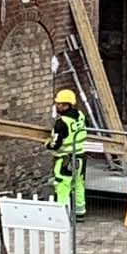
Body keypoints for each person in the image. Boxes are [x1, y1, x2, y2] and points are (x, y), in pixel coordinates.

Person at [48, 75, 89, 221]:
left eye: (59, 104)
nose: (57, 106)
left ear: (66, 105)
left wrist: (48, 144)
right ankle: (80, 212)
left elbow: (56, 143)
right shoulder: (80, 115)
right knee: (79, 184)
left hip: (65, 158)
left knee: (62, 186)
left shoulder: (61, 123)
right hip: (80, 157)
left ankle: (62, 215)